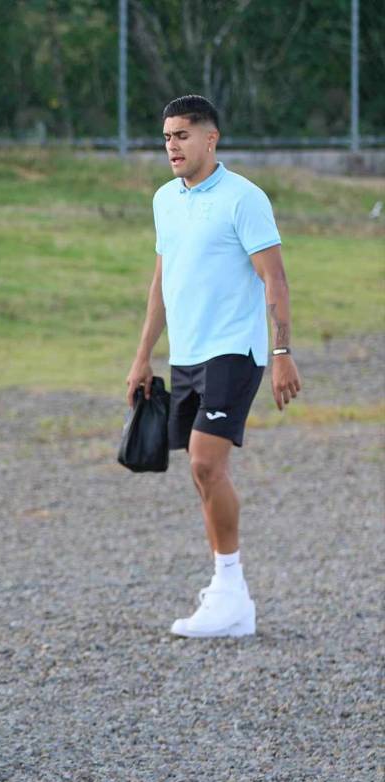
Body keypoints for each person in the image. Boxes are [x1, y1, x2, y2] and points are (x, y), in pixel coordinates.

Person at [126, 95, 302, 638]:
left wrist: (281, 351)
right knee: (202, 471)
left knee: (205, 462)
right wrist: (142, 355)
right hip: (189, 355)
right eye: (166, 137)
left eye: (182, 134)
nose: (172, 145)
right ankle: (230, 596)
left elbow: (274, 278)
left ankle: (230, 591)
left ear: (211, 138)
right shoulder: (164, 200)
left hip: (235, 351)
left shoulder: (243, 199)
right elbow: (163, 281)